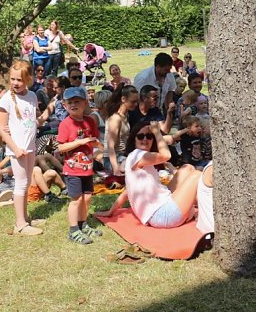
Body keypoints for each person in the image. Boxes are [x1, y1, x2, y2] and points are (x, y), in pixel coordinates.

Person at [96, 122, 202, 228]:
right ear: (134, 139)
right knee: (196, 175)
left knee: (187, 168)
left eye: (149, 136)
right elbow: (166, 155)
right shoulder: (137, 155)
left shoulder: (134, 158)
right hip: (163, 214)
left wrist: (110, 211)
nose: (145, 139)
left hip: (160, 209)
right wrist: (156, 132)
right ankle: (203, 210)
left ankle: (192, 206)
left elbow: (128, 191)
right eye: (140, 136)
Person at [0, 61, 42, 236]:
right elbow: (2, 129)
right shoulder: (6, 99)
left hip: (30, 147)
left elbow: (31, 120)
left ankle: (25, 217)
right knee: (21, 184)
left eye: (20, 80)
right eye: (13, 79)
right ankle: (20, 224)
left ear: (29, 79)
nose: (15, 83)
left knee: (27, 182)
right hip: (18, 149)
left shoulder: (31, 96)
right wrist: (15, 148)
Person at [57, 86, 102, 244]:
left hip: (87, 168)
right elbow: (60, 147)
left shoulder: (90, 121)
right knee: (76, 199)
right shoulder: (65, 124)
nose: (73, 105)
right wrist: (79, 142)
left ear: (85, 103)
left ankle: (83, 224)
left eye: (77, 101)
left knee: (87, 197)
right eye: (70, 102)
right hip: (72, 169)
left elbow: (95, 142)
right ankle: (73, 230)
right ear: (65, 105)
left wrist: (100, 149)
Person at [103, 84, 138, 176]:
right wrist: (115, 169)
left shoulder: (126, 115)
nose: (136, 104)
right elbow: (111, 147)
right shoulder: (115, 119)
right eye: (133, 102)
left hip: (123, 155)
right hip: (113, 159)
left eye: (137, 101)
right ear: (123, 99)